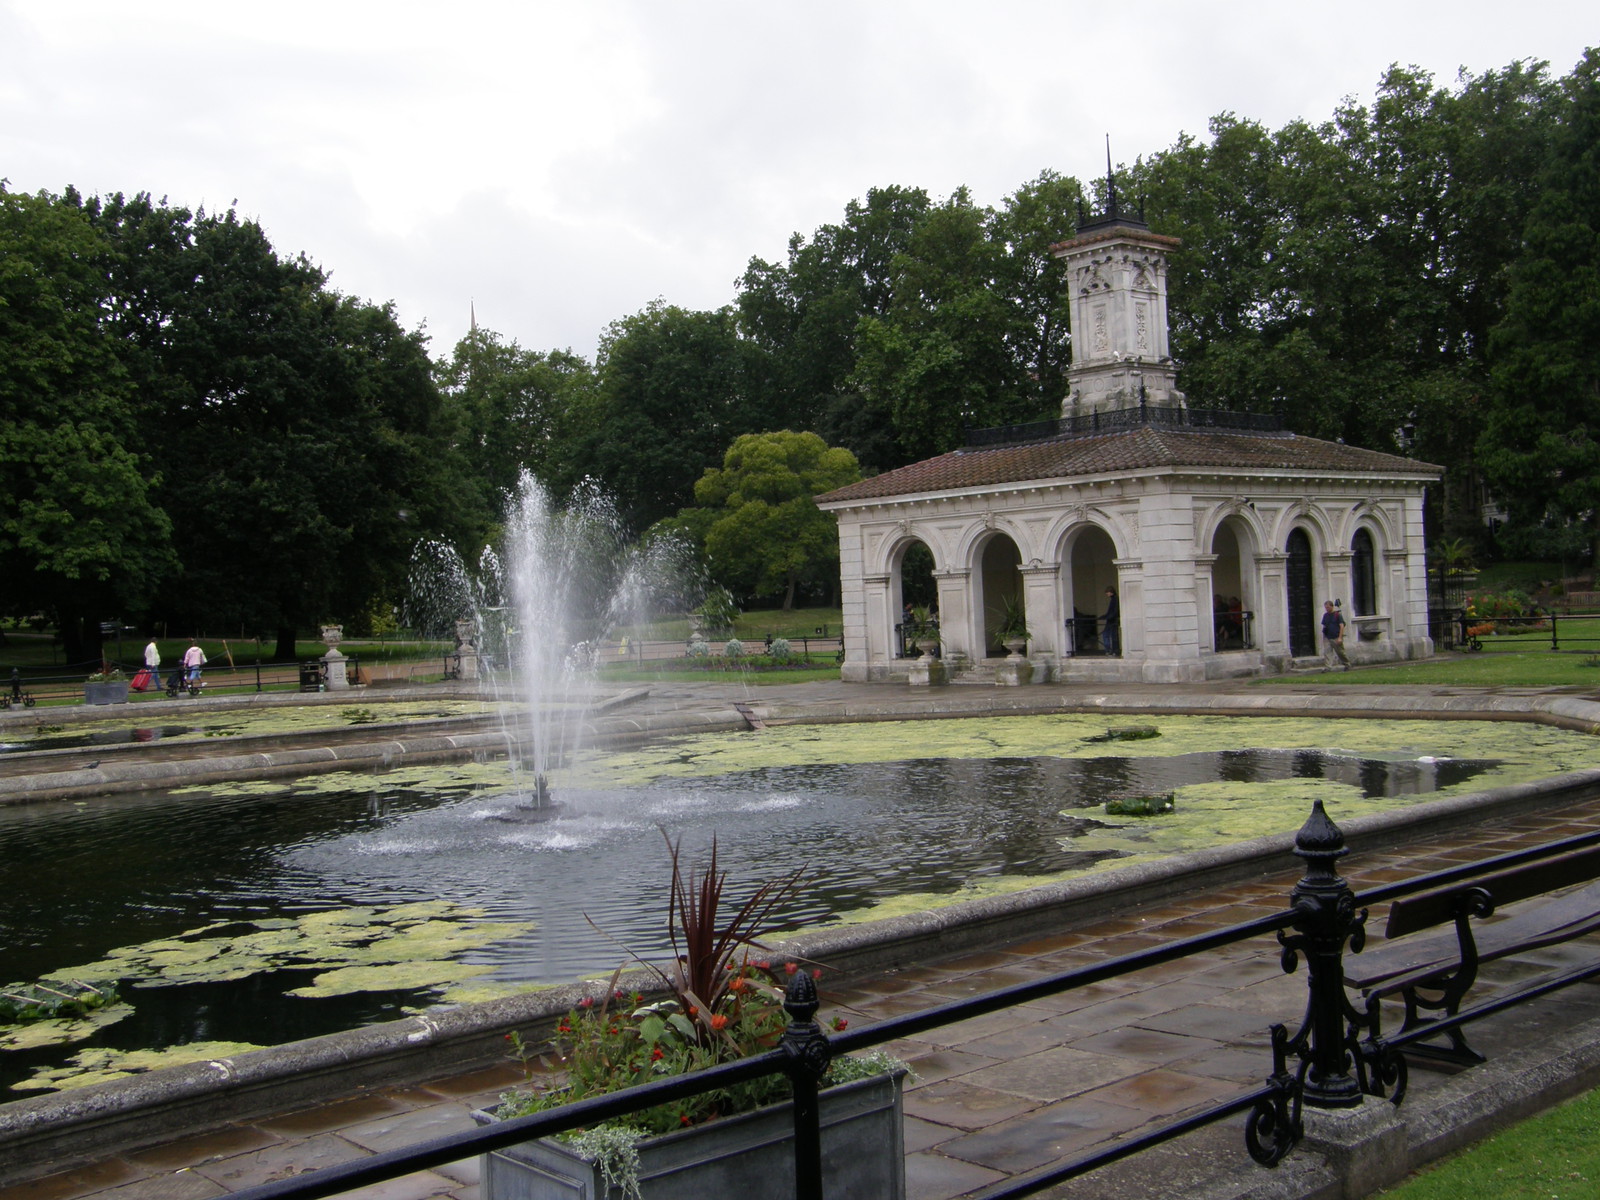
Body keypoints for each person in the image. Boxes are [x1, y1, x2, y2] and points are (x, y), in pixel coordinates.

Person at [1322, 600, 1351, 670]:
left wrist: (1340, 637)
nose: (1327, 609)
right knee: (1327, 652)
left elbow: (1342, 626)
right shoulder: (1325, 615)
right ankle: (1328, 667)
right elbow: (1324, 625)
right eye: (1326, 608)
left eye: (1328, 607)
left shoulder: (1337, 615)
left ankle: (1347, 664)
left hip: (1336, 636)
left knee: (1340, 652)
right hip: (1327, 637)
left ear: (1332, 606)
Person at [1101, 587, 1120, 656]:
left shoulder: (1114, 599)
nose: (1106, 594)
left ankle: (1109, 650)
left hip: (1112, 620)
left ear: (1110, 592)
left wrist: (1107, 616)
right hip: (1112, 619)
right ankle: (1113, 650)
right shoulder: (1115, 599)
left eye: (1107, 592)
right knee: (1112, 635)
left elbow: (1113, 611)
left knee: (1107, 635)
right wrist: (1105, 616)